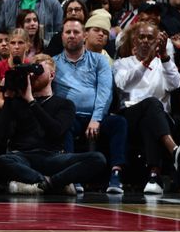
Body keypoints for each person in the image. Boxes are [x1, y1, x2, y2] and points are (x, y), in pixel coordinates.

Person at [0, 54, 108, 195]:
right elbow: (1, 136)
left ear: (52, 75)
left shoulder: (65, 104)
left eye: (38, 71)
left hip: (53, 157)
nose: (33, 75)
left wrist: (31, 101)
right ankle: (52, 183)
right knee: (2, 160)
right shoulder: (17, 102)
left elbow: (55, 131)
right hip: (23, 157)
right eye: (30, 72)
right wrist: (9, 98)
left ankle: (41, 184)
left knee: (97, 158)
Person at [113, 21, 180, 194]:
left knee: (151, 117)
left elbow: (175, 84)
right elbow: (123, 85)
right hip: (130, 118)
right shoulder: (122, 63)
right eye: (141, 37)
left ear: (157, 41)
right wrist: (146, 61)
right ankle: (173, 150)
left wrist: (164, 57)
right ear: (134, 41)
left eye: (150, 37)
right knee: (152, 103)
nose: (145, 41)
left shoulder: (163, 63)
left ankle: (154, 177)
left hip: (160, 120)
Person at [53, 19, 127, 194]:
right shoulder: (53, 63)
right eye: (68, 32)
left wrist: (96, 118)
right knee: (64, 124)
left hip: (96, 117)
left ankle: (116, 175)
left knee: (120, 123)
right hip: (70, 116)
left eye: (76, 32)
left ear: (84, 35)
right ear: (62, 36)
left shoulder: (99, 61)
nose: (72, 35)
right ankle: (72, 177)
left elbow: (105, 91)